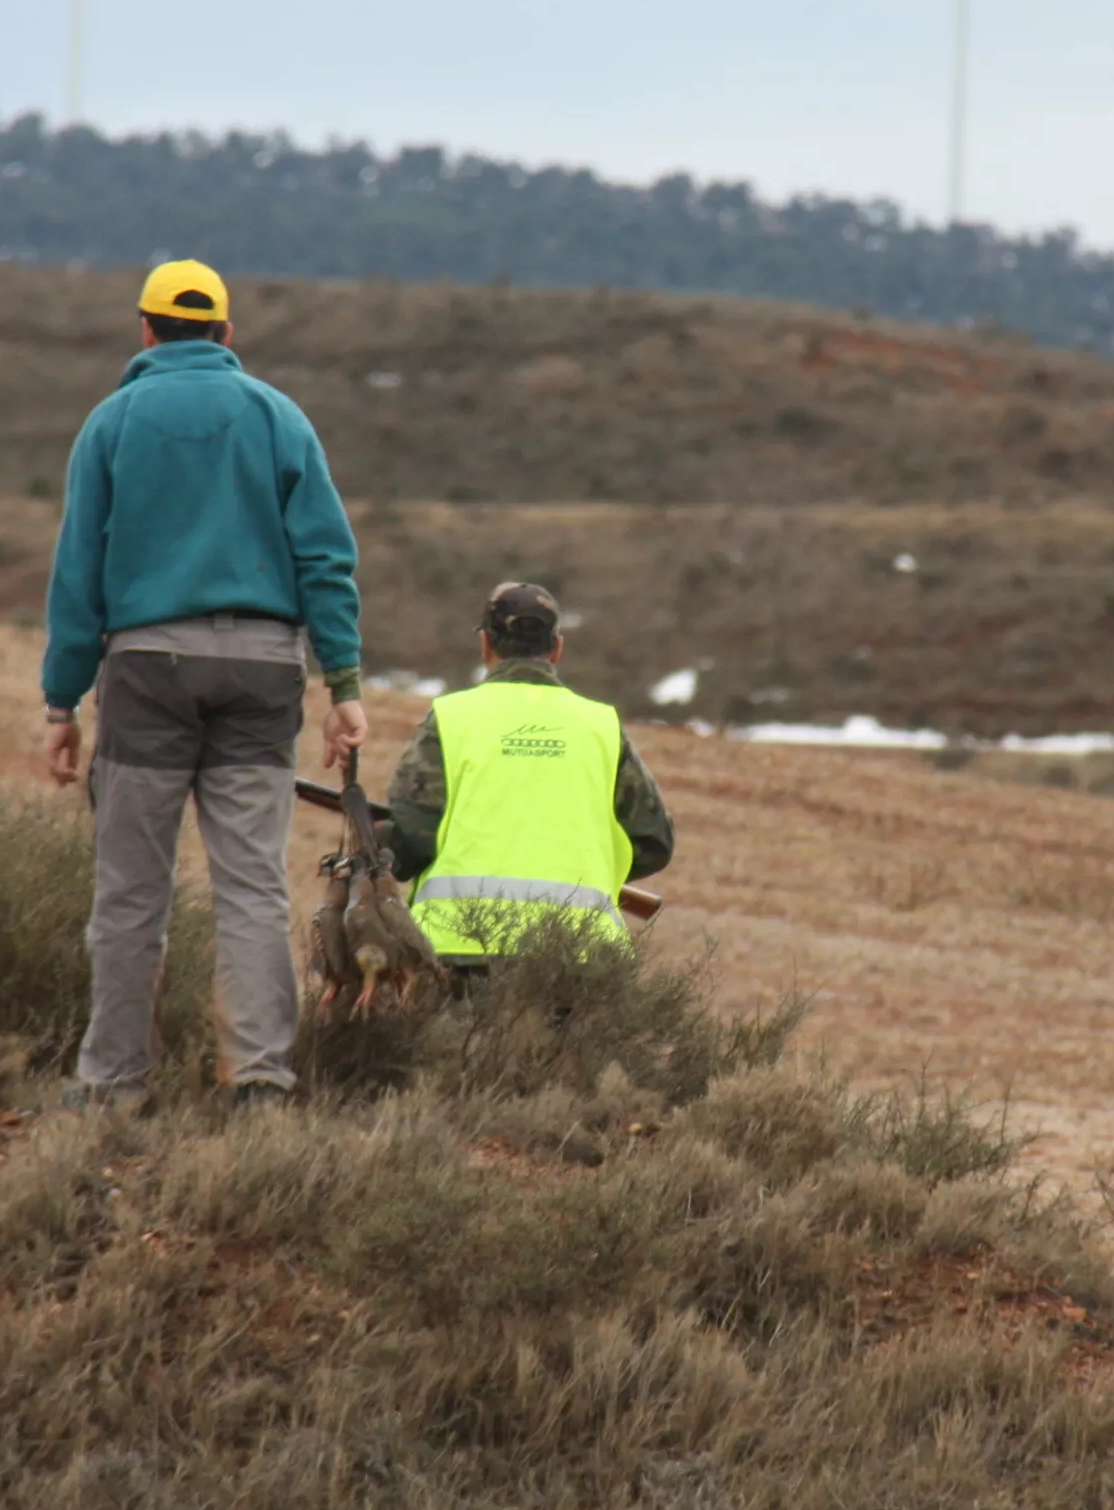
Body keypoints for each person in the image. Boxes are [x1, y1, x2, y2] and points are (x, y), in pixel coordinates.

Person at [40, 259, 368, 1111]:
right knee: (253, 886)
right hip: (263, 673)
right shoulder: (277, 416)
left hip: (146, 672)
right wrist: (345, 685)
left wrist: (60, 701)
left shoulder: (111, 422)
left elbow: (78, 573)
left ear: (145, 329)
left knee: (130, 892)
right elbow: (326, 560)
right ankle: (259, 1080)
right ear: (227, 334)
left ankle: (113, 1085)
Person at [380, 582, 673, 966]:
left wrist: (378, 839)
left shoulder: (452, 718)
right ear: (557, 648)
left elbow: (410, 842)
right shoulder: (601, 724)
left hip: (459, 951)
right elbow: (654, 841)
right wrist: (592, 869)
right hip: (581, 953)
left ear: (486, 644)